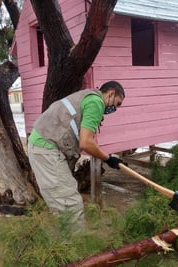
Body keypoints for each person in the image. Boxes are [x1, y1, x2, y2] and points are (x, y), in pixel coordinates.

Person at [27, 81, 125, 229]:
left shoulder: (88, 97)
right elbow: (86, 143)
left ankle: (62, 244)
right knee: (70, 204)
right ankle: (73, 248)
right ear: (111, 94)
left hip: (44, 146)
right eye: (117, 104)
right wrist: (108, 158)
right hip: (47, 149)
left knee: (62, 203)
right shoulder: (96, 102)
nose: (114, 109)